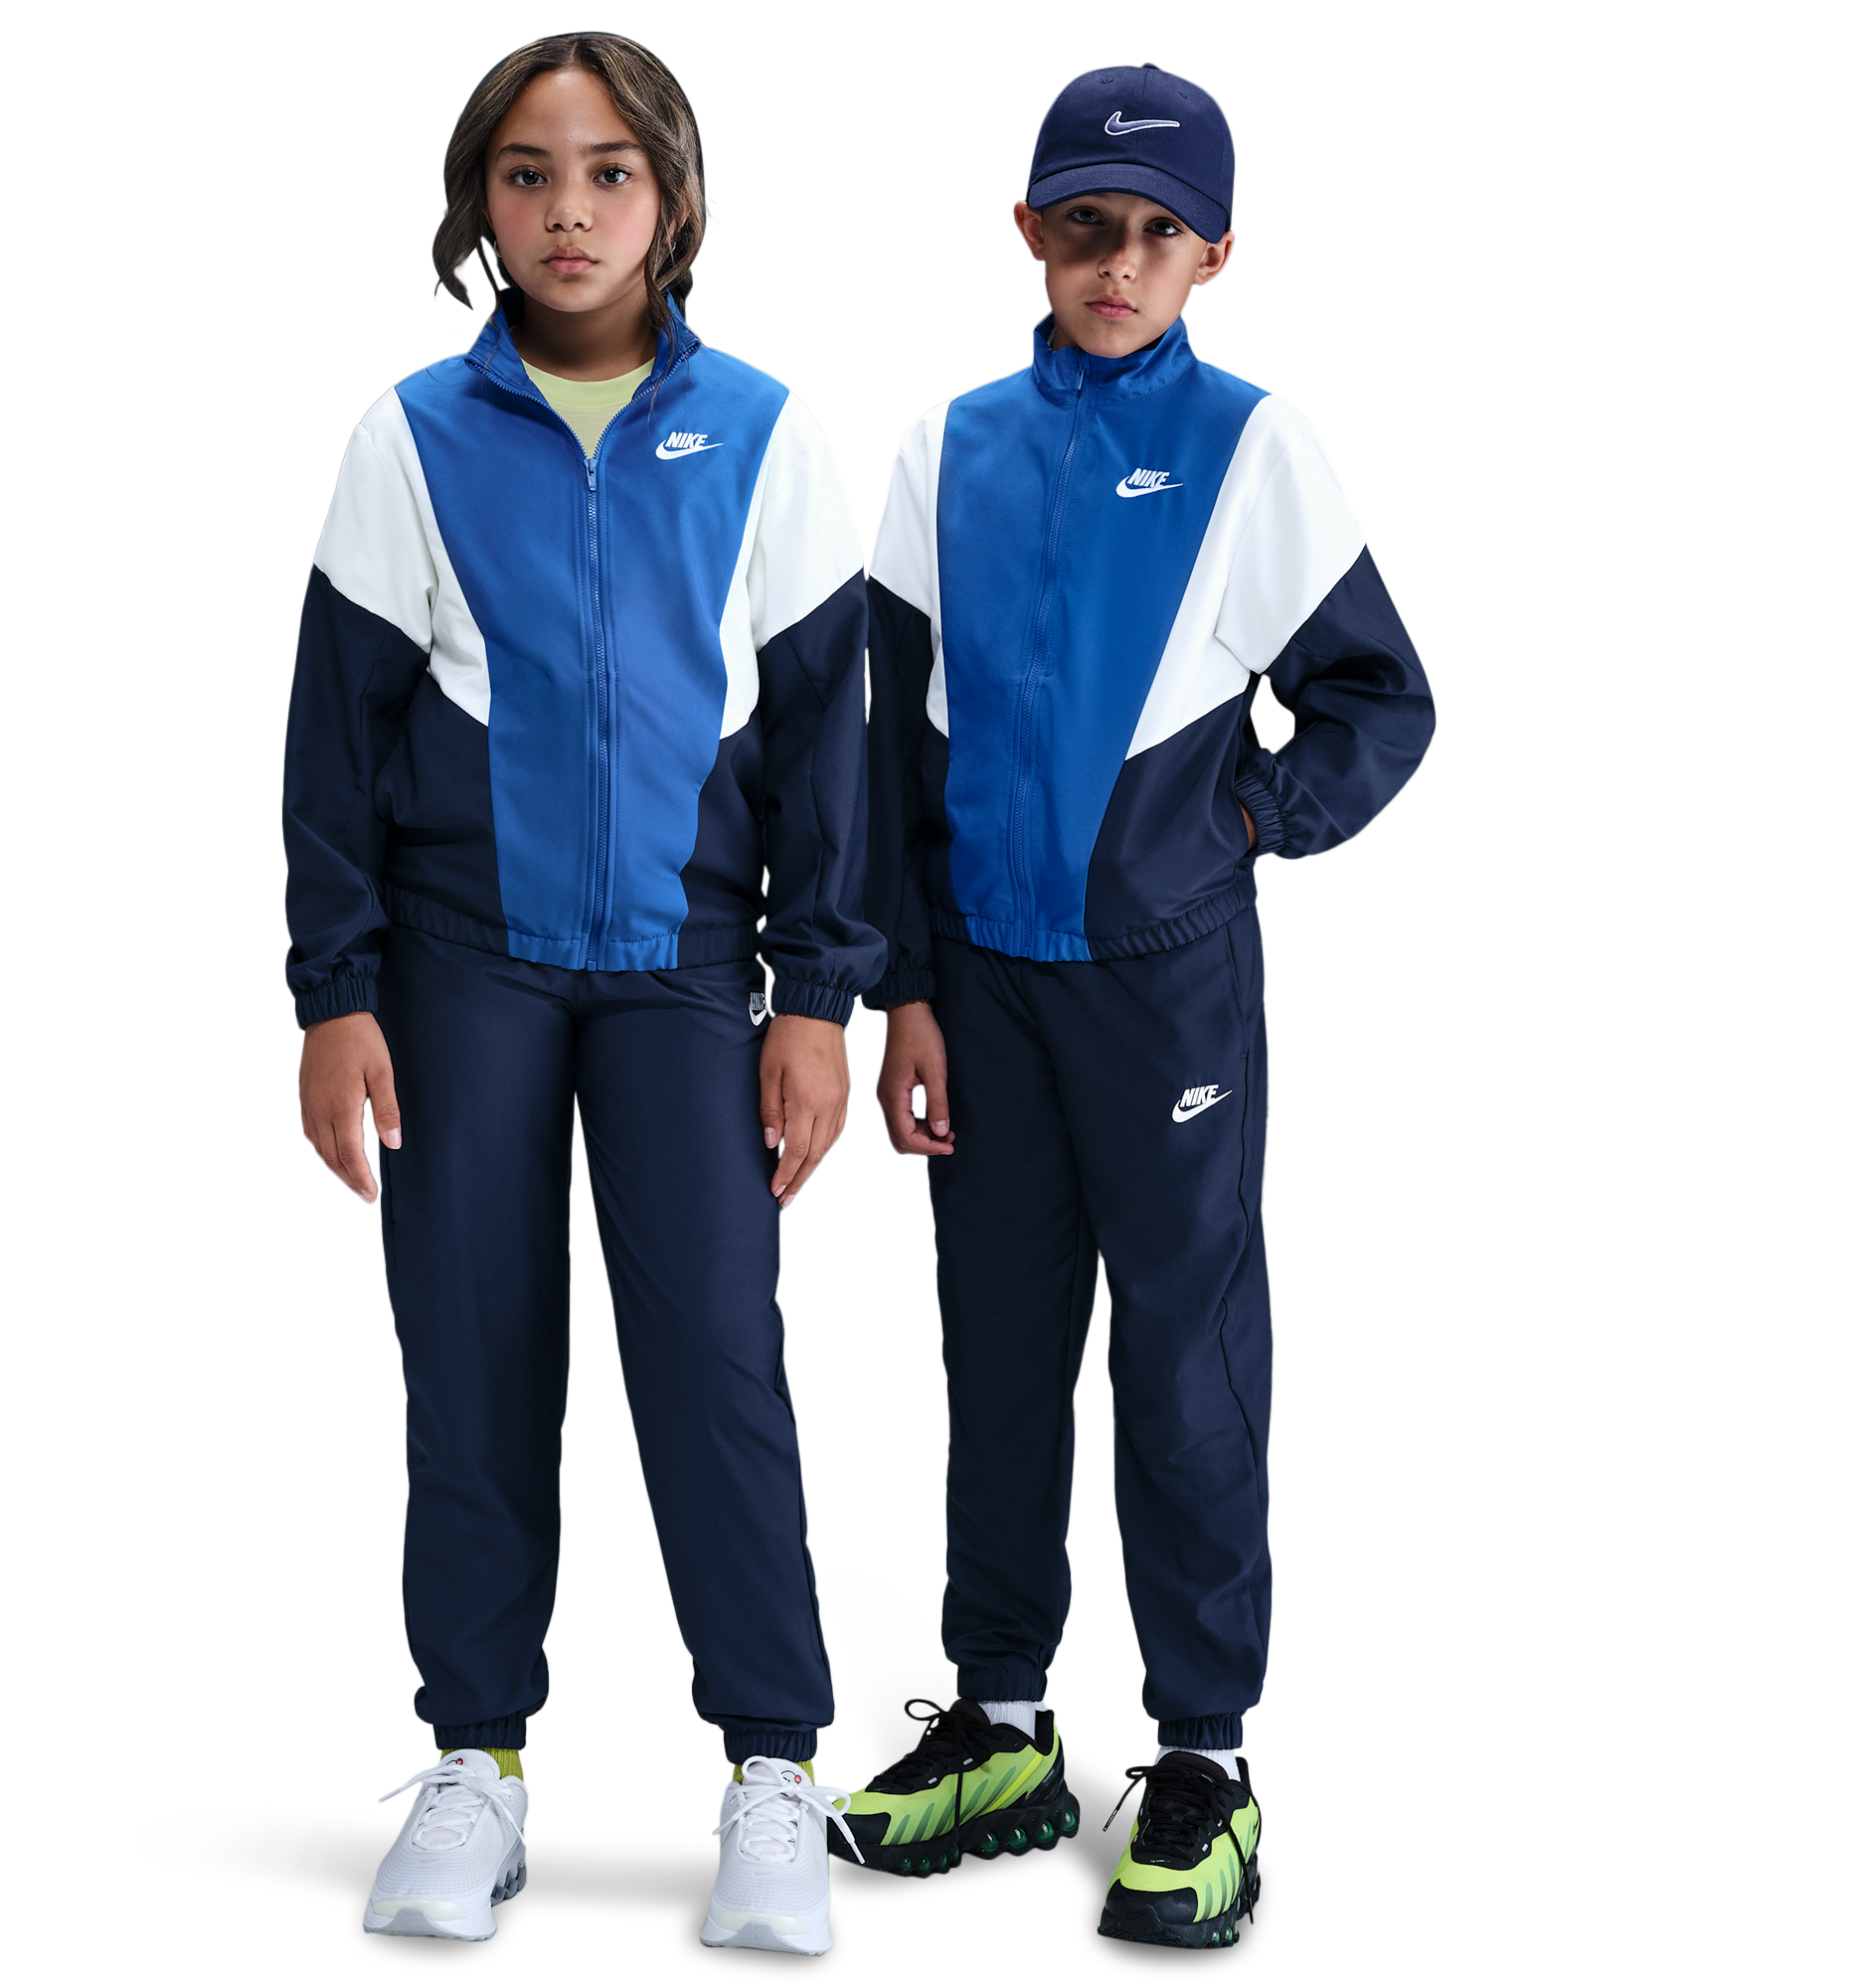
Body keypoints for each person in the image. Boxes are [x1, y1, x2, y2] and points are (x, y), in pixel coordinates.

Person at [282, 32, 882, 1951]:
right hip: (459, 966)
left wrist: (820, 995)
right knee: (472, 1359)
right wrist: (332, 994)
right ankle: (472, 1761)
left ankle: (774, 1767)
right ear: (483, 204)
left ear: (671, 199)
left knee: (716, 1360)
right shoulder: (410, 439)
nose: (569, 210)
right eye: (529, 174)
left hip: (693, 976)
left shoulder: (771, 436)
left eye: (609, 170)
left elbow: (831, 751)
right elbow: (332, 747)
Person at [842, 64, 1438, 1950]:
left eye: (1158, 235)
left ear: (1213, 257)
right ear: (1030, 233)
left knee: (1184, 1367)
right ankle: (999, 1722)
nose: (1119, 263)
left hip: (1164, 988)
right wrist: (903, 989)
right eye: (1086, 227)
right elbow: (884, 750)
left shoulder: (1256, 451)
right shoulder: (941, 452)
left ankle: (1204, 1762)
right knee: (999, 1353)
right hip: (980, 990)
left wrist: (1245, 821)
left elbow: (1381, 696)